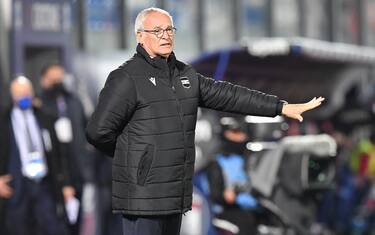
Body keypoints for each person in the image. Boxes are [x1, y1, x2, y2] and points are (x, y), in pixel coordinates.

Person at [85, 7, 325, 235]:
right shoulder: (126, 78)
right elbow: (98, 132)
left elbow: (231, 96)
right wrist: (138, 160)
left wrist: (280, 107)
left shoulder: (185, 76)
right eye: (157, 31)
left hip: (173, 194)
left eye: (170, 30)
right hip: (142, 196)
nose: (165, 36)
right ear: (140, 35)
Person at [0, 76, 72, 235]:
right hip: (17, 187)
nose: (24, 97)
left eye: (26, 93)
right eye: (19, 94)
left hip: (44, 185)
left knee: (52, 227)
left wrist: (65, 183)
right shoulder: (4, 120)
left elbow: (60, 155)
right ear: (12, 96)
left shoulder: (44, 117)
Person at [207, 117, 258, 235]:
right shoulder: (218, 162)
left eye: (241, 132)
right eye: (235, 133)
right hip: (229, 212)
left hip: (255, 208)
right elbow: (215, 193)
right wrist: (225, 196)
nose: (240, 137)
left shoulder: (250, 158)